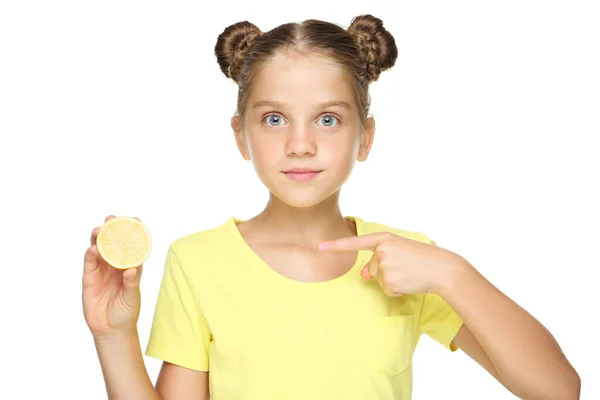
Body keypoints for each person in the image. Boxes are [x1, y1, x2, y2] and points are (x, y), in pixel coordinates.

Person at [82, 14, 580, 400]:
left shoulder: (410, 261)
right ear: (241, 136)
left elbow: (558, 389)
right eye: (274, 118)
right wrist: (113, 335)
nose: (300, 144)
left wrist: (454, 274)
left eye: (327, 120)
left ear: (365, 137)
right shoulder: (197, 261)